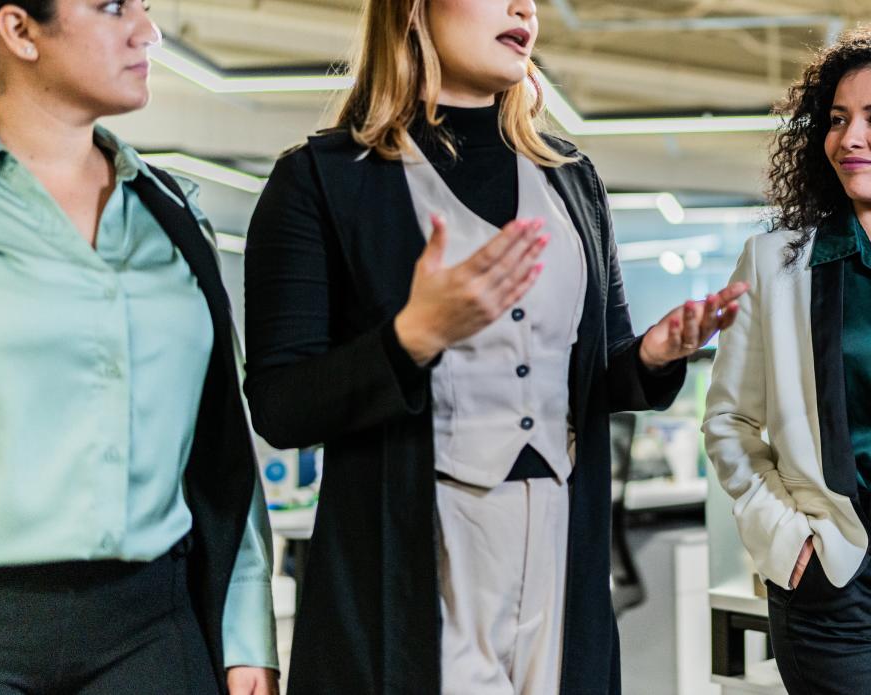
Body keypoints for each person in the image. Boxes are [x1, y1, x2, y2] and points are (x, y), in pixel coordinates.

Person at [244, 1, 746, 693]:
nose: (525, 7)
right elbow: (280, 403)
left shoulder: (574, 181)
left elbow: (600, 373)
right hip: (416, 568)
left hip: (560, 559)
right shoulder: (322, 180)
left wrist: (653, 357)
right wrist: (410, 337)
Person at [0, 1, 278, 693]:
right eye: (111, 7)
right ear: (19, 30)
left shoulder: (171, 214)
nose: (148, 30)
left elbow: (222, 453)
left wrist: (244, 635)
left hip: (150, 625)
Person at [704, 28, 871, 695]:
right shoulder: (776, 263)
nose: (850, 138)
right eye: (837, 119)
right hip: (832, 586)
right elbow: (728, 424)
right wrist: (786, 539)